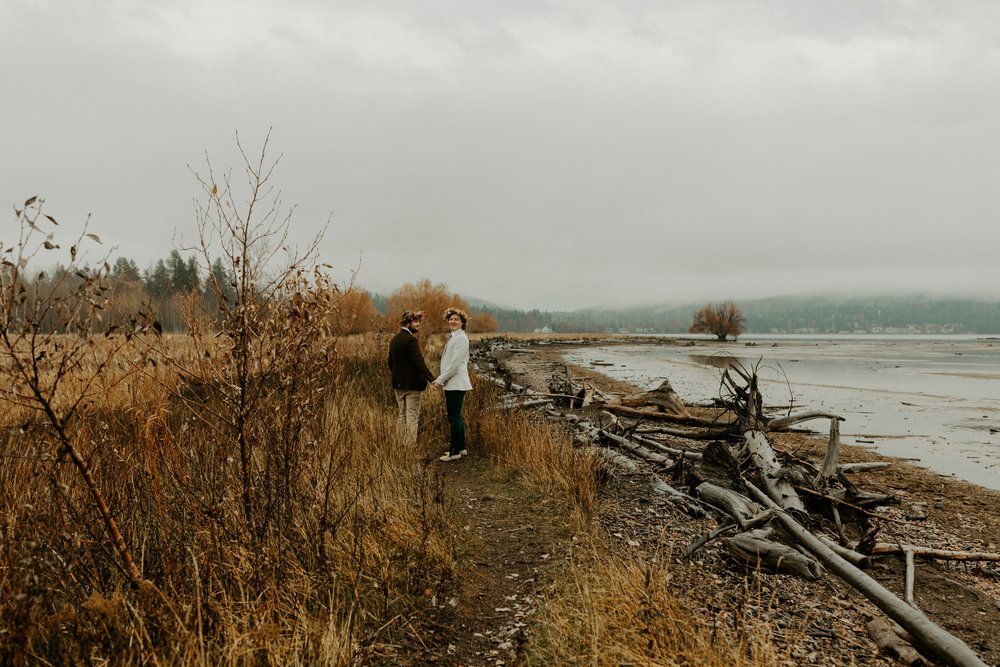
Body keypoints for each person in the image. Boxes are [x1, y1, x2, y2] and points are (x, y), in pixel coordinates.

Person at [388, 310, 437, 444]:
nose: (419, 324)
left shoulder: (394, 339)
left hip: (398, 385)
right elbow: (419, 362)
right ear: (407, 323)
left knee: (401, 416)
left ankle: (400, 445)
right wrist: (432, 380)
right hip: (412, 386)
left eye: (419, 321)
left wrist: (399, 376)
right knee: (412, 417)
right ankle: (409, 448)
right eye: (416, 322)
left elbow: (390, 363)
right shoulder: (411, 340)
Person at [433, 307, 472, 462]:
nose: (453, 321)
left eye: (456, 319)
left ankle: (454, 451)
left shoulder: (461, 338)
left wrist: (440, 380)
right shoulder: (455, 337)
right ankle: (461, 448)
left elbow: (455, 364)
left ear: (462, 322)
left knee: (454, 416)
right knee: (456, 416)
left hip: (456, 383)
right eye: (451, 319)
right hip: (454, 382)